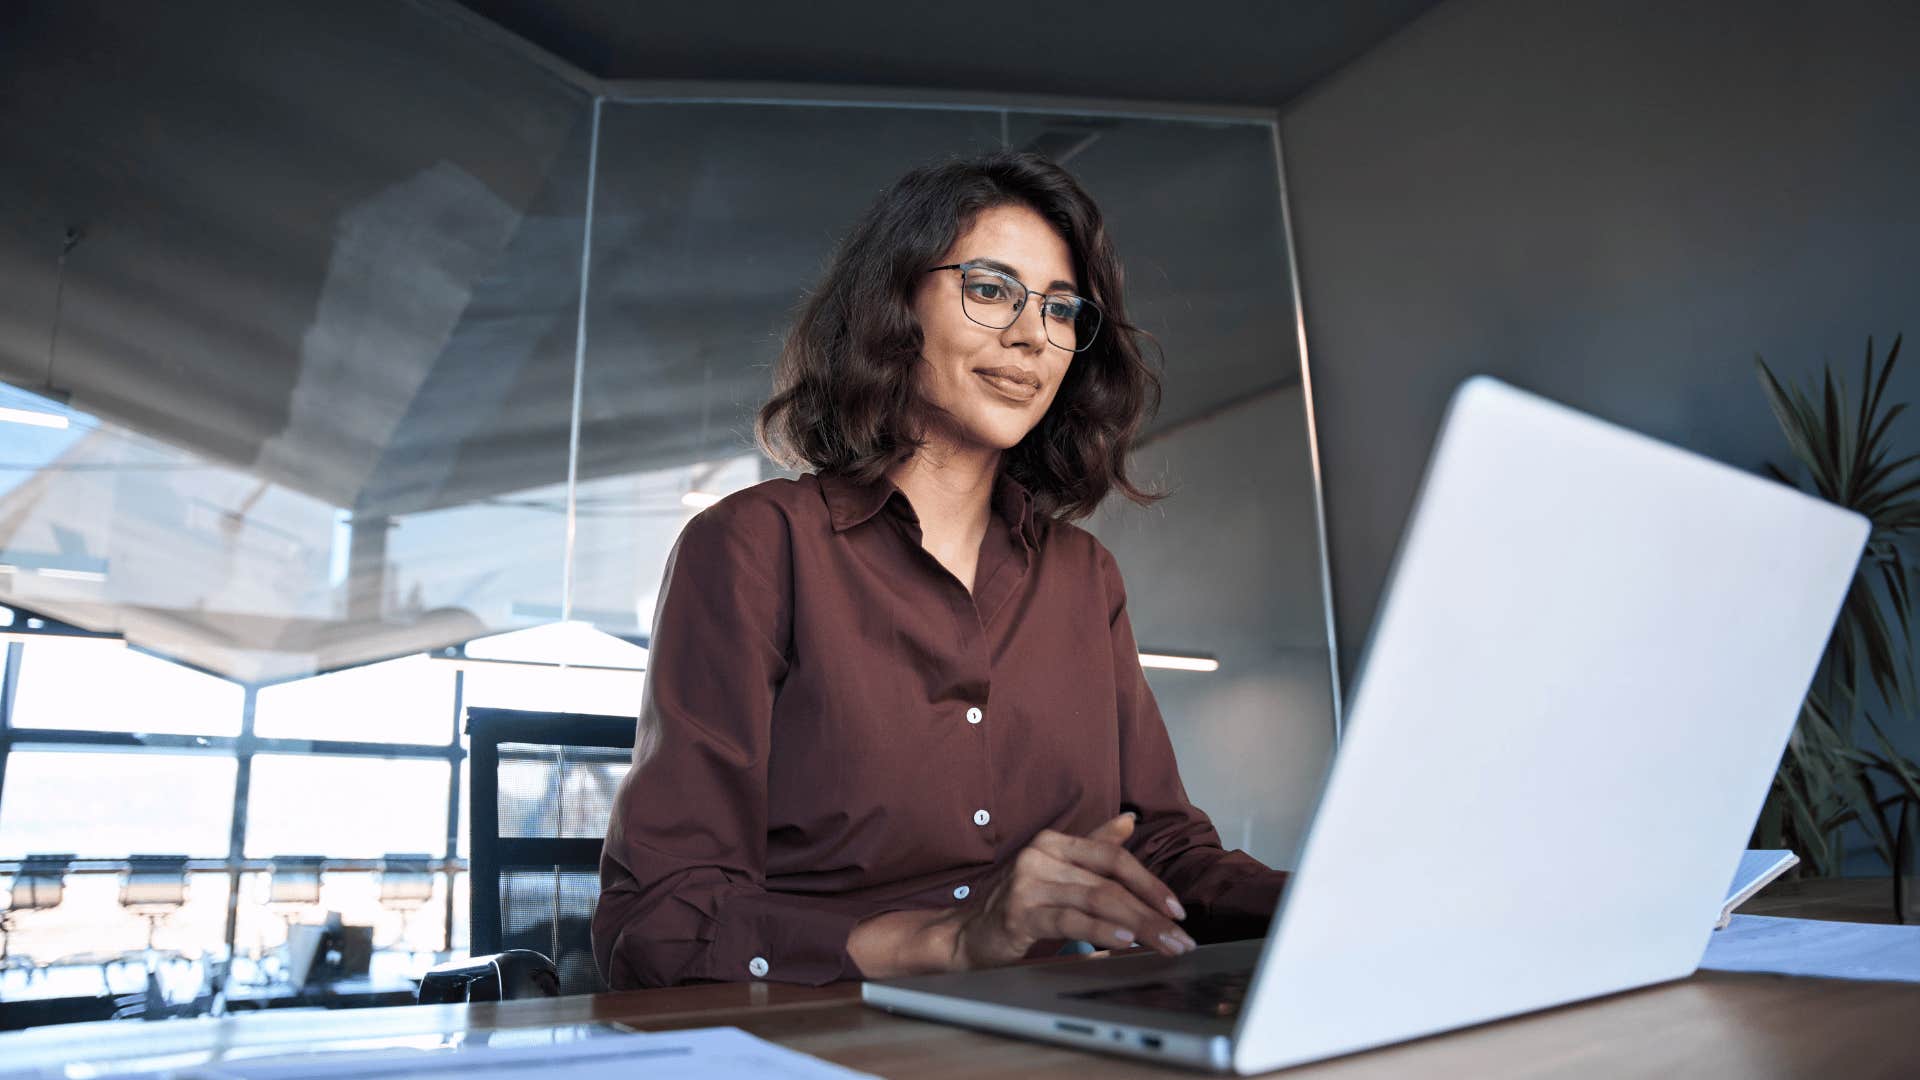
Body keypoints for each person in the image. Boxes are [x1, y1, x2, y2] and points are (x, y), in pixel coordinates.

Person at [592, 149, 1287, 990]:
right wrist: (948, 941)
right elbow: (659, 921)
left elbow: (1162, 850)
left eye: (1062, 309)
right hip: (830, 1033)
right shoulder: (753, 549)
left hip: (1061, 1029)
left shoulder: (1084, 577)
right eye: (991, 289)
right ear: (893, 306)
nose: (1033, 335)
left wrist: (1335, 899)